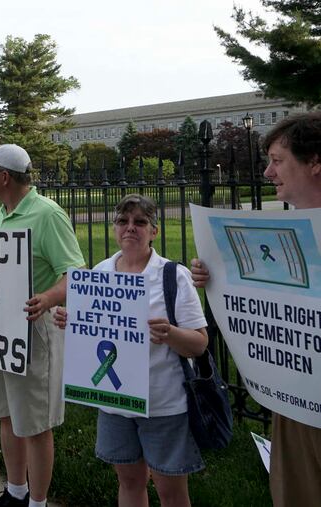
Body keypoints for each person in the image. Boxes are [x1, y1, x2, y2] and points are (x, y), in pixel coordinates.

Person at [191, 112, 321, 507]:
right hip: (295, 399)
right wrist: (217, 275)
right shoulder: (292, 228)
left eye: (278, 160)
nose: (267, 172)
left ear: (316, 162)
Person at [56, 194, 208, 507]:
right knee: (129, 481)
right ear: (113, 228)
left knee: (171, 491)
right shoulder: (100, 272)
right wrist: (70, 322)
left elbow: (199, 343)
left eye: (140, 222)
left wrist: (170, 333)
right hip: (114, 403)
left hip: (163, 404)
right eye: (123, 221)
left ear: (154, 231)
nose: (130, 228)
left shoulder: (172, 277)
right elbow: (92, 336)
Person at [0, 144, 85, 507]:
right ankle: (15, 491)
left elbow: (74, 273)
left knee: (35, 424)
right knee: (7, 415)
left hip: (34, 332)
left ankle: (37, 502)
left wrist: (49, 299)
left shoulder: (47, 214)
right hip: (0, 330)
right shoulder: (3, 214)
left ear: (4, 177)